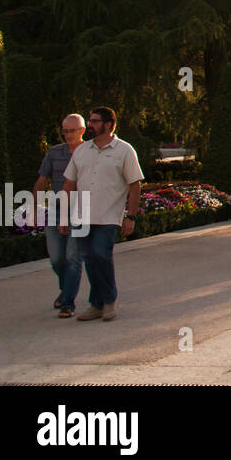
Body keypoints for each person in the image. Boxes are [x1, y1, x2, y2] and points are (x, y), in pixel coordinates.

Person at [59, 106, 143, 322]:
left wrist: (130, 216)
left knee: (100, 254)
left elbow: (135, 185)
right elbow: (69, 183)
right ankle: (97, 304)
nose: (90, 125)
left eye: (95, 121)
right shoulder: (82, 151)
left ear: (109, 125)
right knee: (89, 259)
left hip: (108, 216)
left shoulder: (124, 150)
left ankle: (109, 300)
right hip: (81, 216)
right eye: (90, 120)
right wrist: (62, 215)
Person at [34, 113, 86, 318]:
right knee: (56, 258)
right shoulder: (54, 152)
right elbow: (41, 181)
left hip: (82, 210)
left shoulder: (90, 153)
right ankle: (66, 290)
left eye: (72, 130)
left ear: (82, 130)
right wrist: (35, 207)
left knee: (73, 256)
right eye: (65, 131)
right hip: (56, 210)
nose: (67, 134)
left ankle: (67, 303)